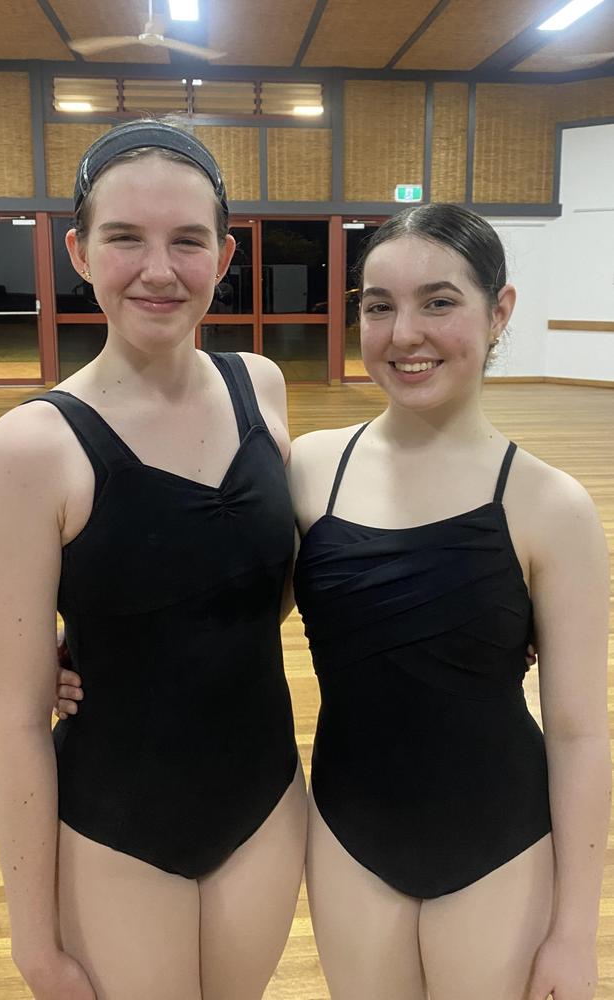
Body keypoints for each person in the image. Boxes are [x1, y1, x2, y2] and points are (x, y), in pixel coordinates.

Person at [0, 119, 307, 1000]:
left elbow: (264, 587)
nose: (159, 269)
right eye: (126, 239)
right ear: (79, 250)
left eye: (187, 241)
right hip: (117, 827)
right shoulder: (30, 449)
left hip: (266, 805)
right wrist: (34, 947)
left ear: (224, 254)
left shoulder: (260, 387)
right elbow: (13, 724)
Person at [287, 205, 611, 1000]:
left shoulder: (551, 506)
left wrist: (575, 932)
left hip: (498, 840)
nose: (404, 334)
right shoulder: (308, 472)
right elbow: (222, 626)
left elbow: (577, 732)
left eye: (439, 302)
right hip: (347, 831)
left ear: (498, 311)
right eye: (378, 305)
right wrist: (79, 658)